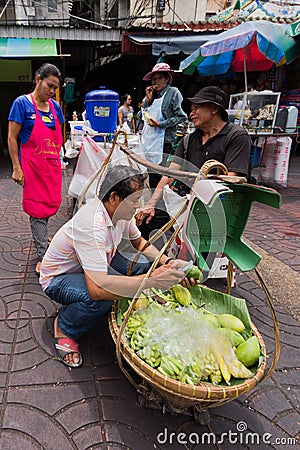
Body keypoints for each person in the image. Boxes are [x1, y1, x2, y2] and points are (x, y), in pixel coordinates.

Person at [39, 165, 197, 368]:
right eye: (133, 200)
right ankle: (65, 327)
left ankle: (114, 296)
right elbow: (97, 289)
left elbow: (140, 243)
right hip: (58, 279)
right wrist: (152, 282)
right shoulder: (91, 223)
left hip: (94, 267)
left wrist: (167, 262)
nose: (137, 206)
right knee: (102, 298)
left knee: (140, 262)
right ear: (113, 197)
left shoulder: (121, 214)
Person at [136, 86, 251, 226]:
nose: (191, 114)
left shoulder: (236, 136)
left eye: (196, 108)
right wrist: (151, 204)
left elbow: (231, 178)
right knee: (145, 222)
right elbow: (169, 175)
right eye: (191, 110)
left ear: (214, 109)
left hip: (216, 208)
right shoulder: (188, 140)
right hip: (185, 203)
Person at [7, 63, 65, 275]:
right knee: (37, 211)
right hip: (32, 168)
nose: (51, 91)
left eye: (55, 89)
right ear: (38, 79)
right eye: (49, 86)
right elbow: (12, 137)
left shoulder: (55, 107)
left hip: (51, 168)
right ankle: (44, 257)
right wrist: (16, 167)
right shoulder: (21, 104)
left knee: (50, 204)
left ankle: (42, 236)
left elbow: (58, 135)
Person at [141, 62, 187, 172]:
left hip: (165, 142)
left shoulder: (173, 92)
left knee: (161, 173)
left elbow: (181, 117)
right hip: (149, 140)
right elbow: (141, 116)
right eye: (154, 79)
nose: (156, 81)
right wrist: (147, 101)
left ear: (167, 79)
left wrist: (161, 124)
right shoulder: (151, 94)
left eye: (159, 78)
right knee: (150, 171)